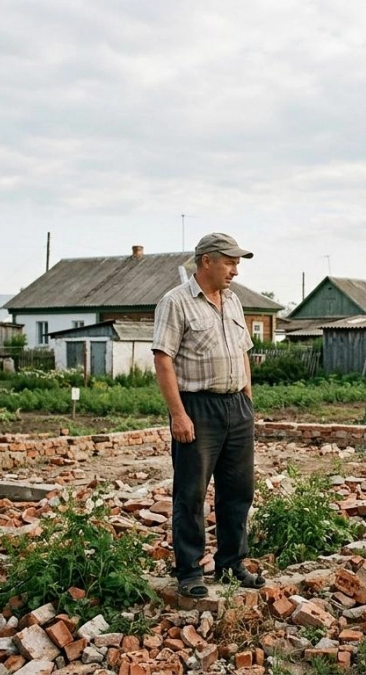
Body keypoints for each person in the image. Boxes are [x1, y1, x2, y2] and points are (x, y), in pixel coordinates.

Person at [152, 232, 265, 598]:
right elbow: (163, 359)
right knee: (191, 492)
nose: (235, 270)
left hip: (236, 407)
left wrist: (247, 398)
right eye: (230, 262)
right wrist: (178, 415)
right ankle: (189, 571)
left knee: (238, 491)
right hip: (197, 408)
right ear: (206, 261)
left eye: (237, 264)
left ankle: (231, 564)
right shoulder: (176, 302)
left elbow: (243, 350)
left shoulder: (232, 301)